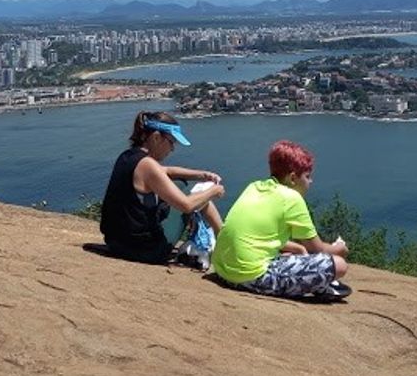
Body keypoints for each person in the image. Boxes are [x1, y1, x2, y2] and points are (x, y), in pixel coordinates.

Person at [211, 140, 349, 298]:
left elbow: (259, 236)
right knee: (339, 265)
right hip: (250, 277)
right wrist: (341, 248)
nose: (310, 181)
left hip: (223, 271)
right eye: (307, 176)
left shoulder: (254, 186)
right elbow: (317, 249)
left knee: (291, 257)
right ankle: (320, 286)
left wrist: (296, 249)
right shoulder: (292, 198)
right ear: (292, 179)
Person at [99, 110, 225, 264]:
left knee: (181, 183)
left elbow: (166, 171)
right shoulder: (148, 165)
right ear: (157, 137)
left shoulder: (128, 156)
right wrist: (213, 191)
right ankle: (226, 242)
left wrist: (202, 174)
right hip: (146, 250)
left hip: (116, 243)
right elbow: (187, 205)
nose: (172, 149)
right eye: (171, 142)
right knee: (199, 195)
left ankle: (223, 238)